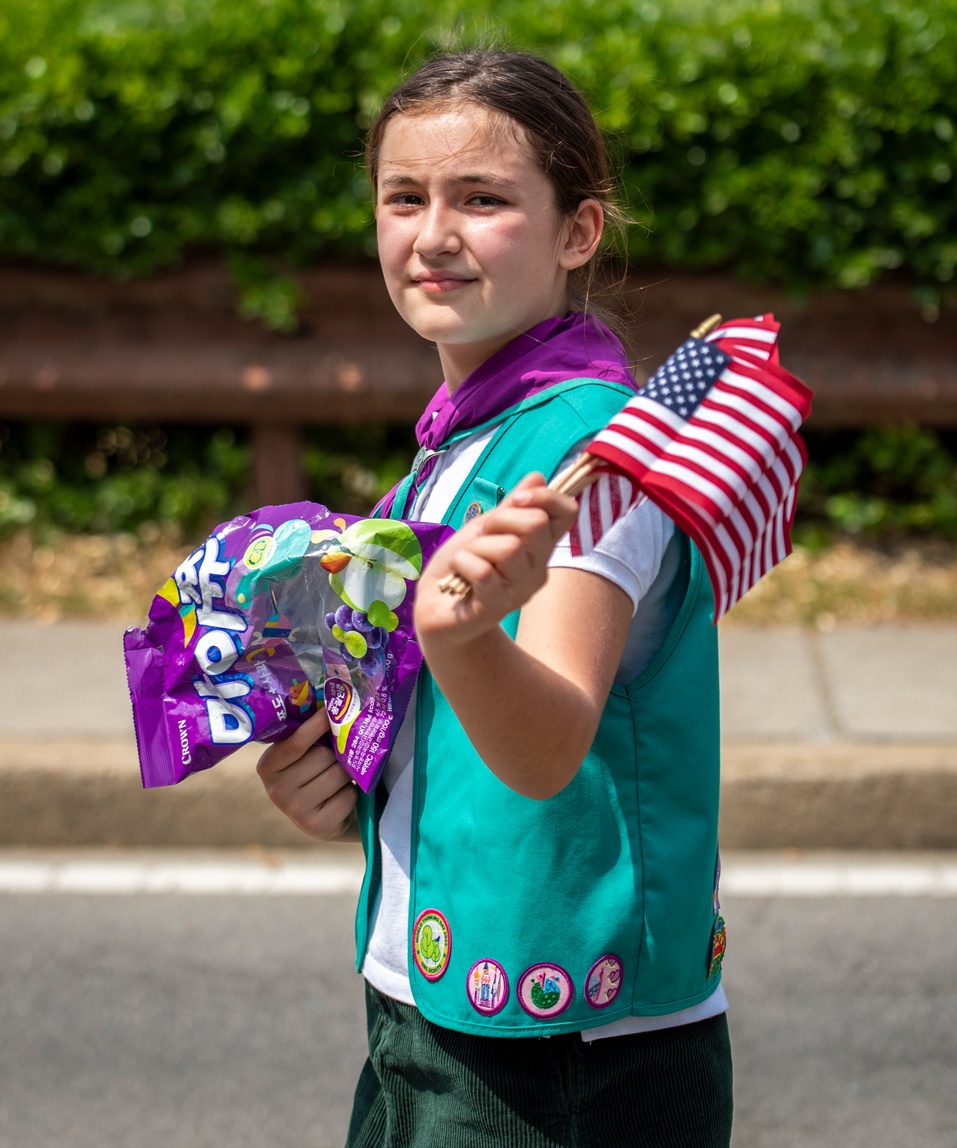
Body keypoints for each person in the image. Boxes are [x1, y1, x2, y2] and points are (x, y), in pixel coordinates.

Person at [256, 48, 733, 1148]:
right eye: (403, 196)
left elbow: (547, 743)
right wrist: (339, 785)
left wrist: (455, 636)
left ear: (579, 232)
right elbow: (455, 744)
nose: (432, 234)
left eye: (483, 199)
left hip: (560, 1049)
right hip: (427, 1002)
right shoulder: (456, 445)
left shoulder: (601, 451)